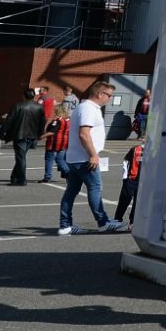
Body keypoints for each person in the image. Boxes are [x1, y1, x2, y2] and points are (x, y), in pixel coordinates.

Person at [59, 80, 127, 236]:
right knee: (95, 189)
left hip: (76, 158)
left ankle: (65, 225)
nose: (110, 99)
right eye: (109, 95)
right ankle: (103, 222)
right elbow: (84, 134)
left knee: (71, 191)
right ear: (99, 93)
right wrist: (93, 155)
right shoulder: (89, 109)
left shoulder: (84, 107)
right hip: (84, 159)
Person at [5, 89, 46, 186]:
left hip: (20, 135)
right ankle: (14, 177)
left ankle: (21, 179)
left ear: (24, 96)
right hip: (32, 135)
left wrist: (3, 133)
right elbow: (42, 122)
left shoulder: (18, 106)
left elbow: (9, 120)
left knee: (21, 158)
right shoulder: (39, 107)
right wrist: (39, 134)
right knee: (21, 157)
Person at [115, 140, 144, 224]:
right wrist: (125, 177)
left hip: (143, 181)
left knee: (137, 202)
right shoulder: (135, 149)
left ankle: (133, 221)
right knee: (124, 199)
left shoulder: (152, 151)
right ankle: (117, 219)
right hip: (131, 179)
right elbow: (126, 161)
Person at [41, 106, 72, 184]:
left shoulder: (57, 121)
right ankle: (69, 174)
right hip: (64, 142)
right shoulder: (68, 120)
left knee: (49, 159)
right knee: (60, 159)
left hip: (54, 143)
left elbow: (52, 131)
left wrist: (41, 137)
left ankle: (47, 176)